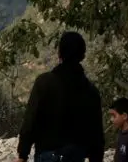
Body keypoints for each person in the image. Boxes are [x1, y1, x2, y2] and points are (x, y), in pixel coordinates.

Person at [16, 31, 104, 162]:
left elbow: (31, 120)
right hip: (75, 156)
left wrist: (22, 154)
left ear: (59, 53)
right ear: (83, 55)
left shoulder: (44, 82)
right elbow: (96, 134)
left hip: (47, 155)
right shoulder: (91, 91)